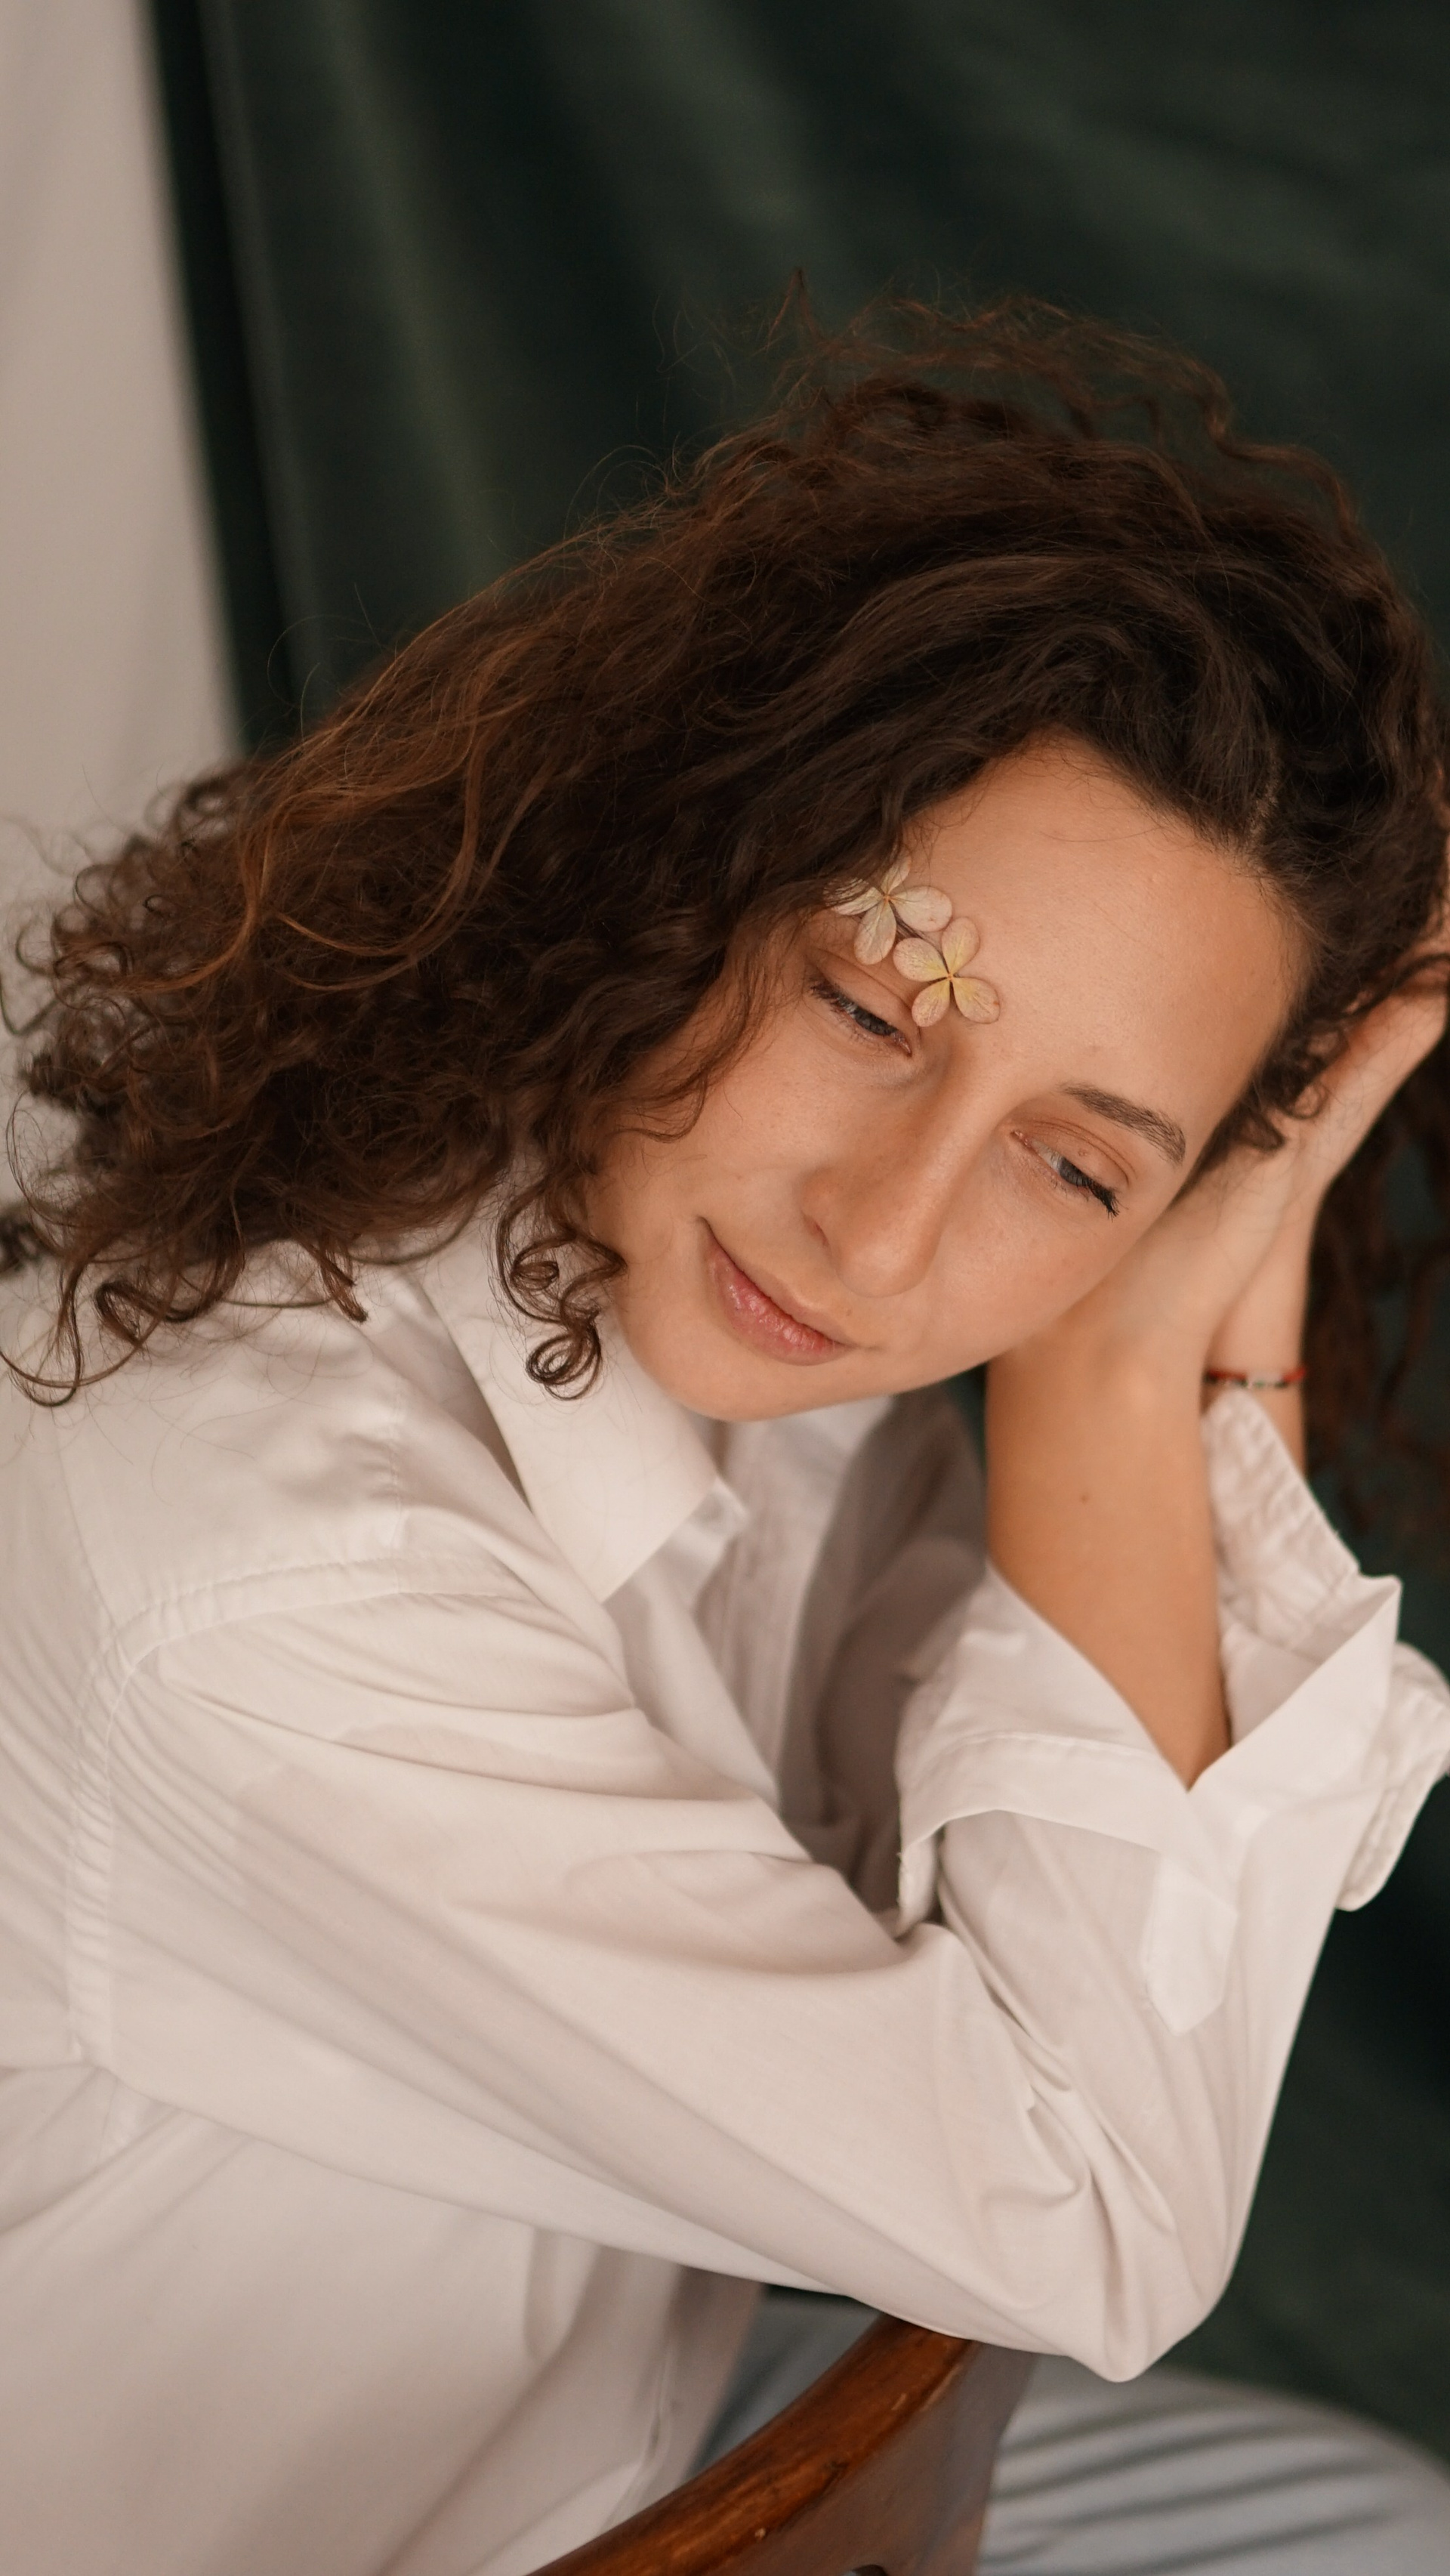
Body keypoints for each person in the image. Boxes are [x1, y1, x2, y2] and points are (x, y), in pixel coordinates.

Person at [2, 301, 1449, 2576]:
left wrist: (1173, 1328)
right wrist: (1112, 1358)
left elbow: (1078, 1953)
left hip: (695, 2460)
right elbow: (1091, 2197)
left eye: (1078, 1163)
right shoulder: (267, 1597)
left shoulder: (755, 1364)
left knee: (1374, 2520)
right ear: (681, 861)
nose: (885, 1227)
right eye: (874, 1004)